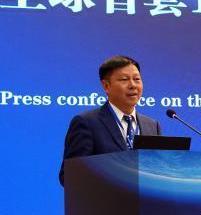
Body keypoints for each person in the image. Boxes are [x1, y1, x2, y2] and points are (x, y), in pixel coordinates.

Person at [59, 56, 161, 185]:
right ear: (106, 86)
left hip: (145, 198)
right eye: (124, 79)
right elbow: (70, 175)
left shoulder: (152, 125)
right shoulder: (87, 123)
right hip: (104, 197)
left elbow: (159, 170)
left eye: (137, 79)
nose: (133, 85)